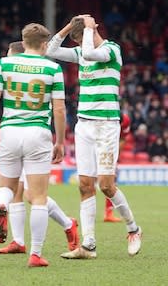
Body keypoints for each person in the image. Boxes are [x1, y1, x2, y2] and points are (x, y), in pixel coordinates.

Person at [46, 15, 142, 259]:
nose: (78, 45)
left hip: (107, 125)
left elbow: (89, 53)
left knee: (106, 185)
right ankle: (88, 245)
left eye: (79, 39)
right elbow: (50, 50)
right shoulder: (81, 51)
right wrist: (70, 26)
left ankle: (133, 229)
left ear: (90, 33)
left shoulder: (112, 50)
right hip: (84, 125)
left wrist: (89, 29)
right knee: (85, 185)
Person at [0, 23, 66, 267]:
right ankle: (35, 254)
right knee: (38, 197)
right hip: (38, 133)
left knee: (7, 187)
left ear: (23, 43)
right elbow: (58, 108)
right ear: (45, 44)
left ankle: (1, 204)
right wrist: (60, 140)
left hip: (9, 132)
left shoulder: (4, 64)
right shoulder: (53, 68)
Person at [0, 41, 79, 255]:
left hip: (29, 135)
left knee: (32, 195)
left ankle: (68, 224)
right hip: (26, 136)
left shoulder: (21, 70)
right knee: (18, 193)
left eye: (10, 55)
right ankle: (19, 241)